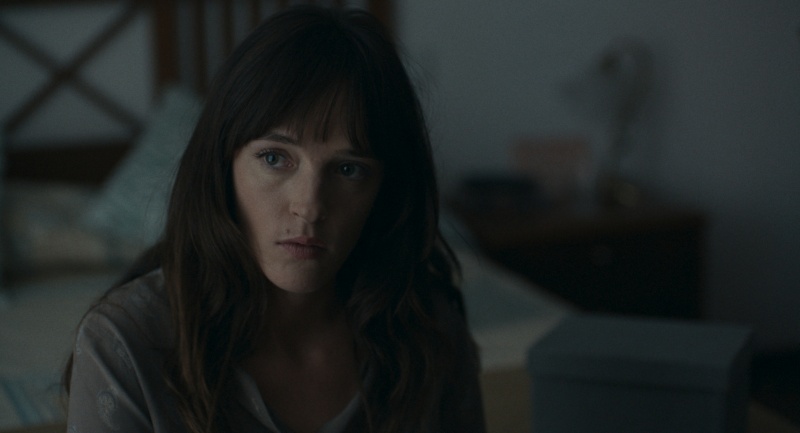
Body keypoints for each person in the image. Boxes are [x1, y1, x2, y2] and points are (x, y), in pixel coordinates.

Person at [63, 5, 485, 433]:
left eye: (348, 169)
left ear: (384, 190)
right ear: (223, 166)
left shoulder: (426, 329)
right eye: (274, 158)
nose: (309, 206)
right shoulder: (125, 343)